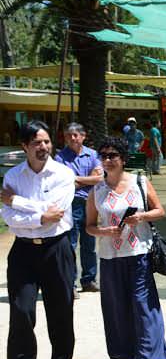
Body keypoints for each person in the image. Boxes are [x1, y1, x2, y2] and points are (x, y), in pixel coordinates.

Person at [85, 137, 166, 359]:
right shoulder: (97, 190)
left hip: (138, 254)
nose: (108, 160)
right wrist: (103, 231)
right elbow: (89, 226)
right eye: (103, 155)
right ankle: (123, 353)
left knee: (142, 304)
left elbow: (160, 211)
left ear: (123, 159)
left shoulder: (139, 182)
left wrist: (141, 216)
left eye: (113, 155)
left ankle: (147, 358)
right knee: (115, 306)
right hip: (110, 256)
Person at [1, 121, 76, 359]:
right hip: (23, 252)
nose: (43, 147)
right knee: (21, 311)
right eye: (36, 143)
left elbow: (55, 213)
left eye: (46, 142)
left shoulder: (63, 174)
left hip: (56, 248)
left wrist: (18, 203)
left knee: (61, 310)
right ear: (24, 146)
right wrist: (38, 217)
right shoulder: (13, 176)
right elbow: (8, 219)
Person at [55, 122, 103, 295]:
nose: (72, 138)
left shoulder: (93, 155)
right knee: (71, 245)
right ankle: (71, 284)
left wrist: (76, 179)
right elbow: (64, 182)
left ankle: (89, 280)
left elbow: (99, 179)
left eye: (76, 134)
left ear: (83, 136)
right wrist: (88, 178)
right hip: (71, 204)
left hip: (91, 203)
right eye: (69, 135)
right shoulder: (60, 158)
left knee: (89, 243)